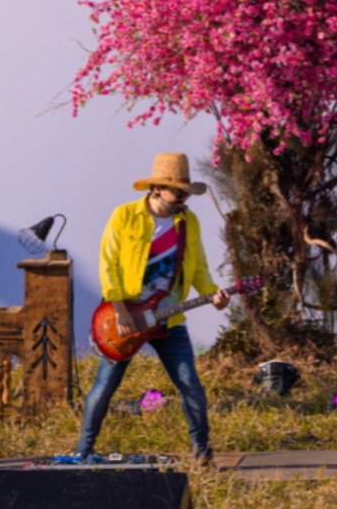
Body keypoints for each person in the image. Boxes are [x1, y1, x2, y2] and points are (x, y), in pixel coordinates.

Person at [75, 152, 230, 466]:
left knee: (190, 385)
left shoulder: (188, 221)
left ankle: (203, 454)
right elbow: (109, 265)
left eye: (186, 193)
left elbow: (198, 266)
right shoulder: (124, 216)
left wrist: (213, 294)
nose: (183, 198)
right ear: (157, 188)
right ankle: (81, 452)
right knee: (104, 386)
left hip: (169, 319)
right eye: (177, 192)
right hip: (127, 316)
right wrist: (118, 310)